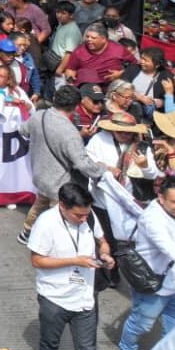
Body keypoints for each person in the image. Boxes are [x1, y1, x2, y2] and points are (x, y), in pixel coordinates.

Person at [27, 181, 113, 350]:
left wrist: (105, 254)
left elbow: (103, 241)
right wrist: (75, 261)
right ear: (62, 206)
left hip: (85, 298)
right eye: (78, 215)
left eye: (86, 214)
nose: (84, 219)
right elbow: (37, 260)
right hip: (54, 298)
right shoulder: (46, 223)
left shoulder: (88, 216)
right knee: (50, 344)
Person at [17, 84, 110, 245]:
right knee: (59, 218)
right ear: (76, 106)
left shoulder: (39, 116)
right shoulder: (69, 132)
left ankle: (26, 232)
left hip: (40, 175)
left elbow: (23, 130)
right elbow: (82, 164)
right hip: (60, 183)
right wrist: (102, 168)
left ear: (55, 99)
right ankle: (50, 245)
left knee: (39, 205)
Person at [116, 175, 175, 350]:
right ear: (161, 198)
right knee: (141, 324)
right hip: (154, 285)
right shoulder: (153, 219)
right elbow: (170, 250)